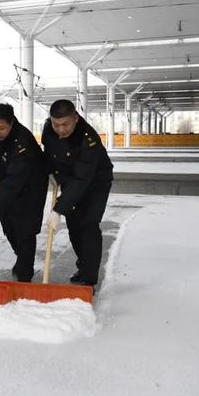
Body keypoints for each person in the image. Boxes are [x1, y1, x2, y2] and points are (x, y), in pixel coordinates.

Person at [42, 99, 113, 288]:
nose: (60, 130)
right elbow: (49, 150)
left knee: (88, 224)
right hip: (69, 177)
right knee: (74, 225)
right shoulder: (48, 128)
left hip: (95, 182)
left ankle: (88, 280)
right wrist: (51, 170)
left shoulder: (88, 139)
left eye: (65, 124)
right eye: (56, 124)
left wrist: (58, 209)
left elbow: (81, 180)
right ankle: (83, 266)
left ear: (75, 118)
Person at [0, 103, 48, 282]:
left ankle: (25, 274)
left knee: (25, 231)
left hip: (30, 187)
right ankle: (22, 258)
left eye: (2, 128)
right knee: (9, 227)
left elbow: (15, 180)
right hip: (6, 184)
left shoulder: (23, 141)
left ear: (11, 123)